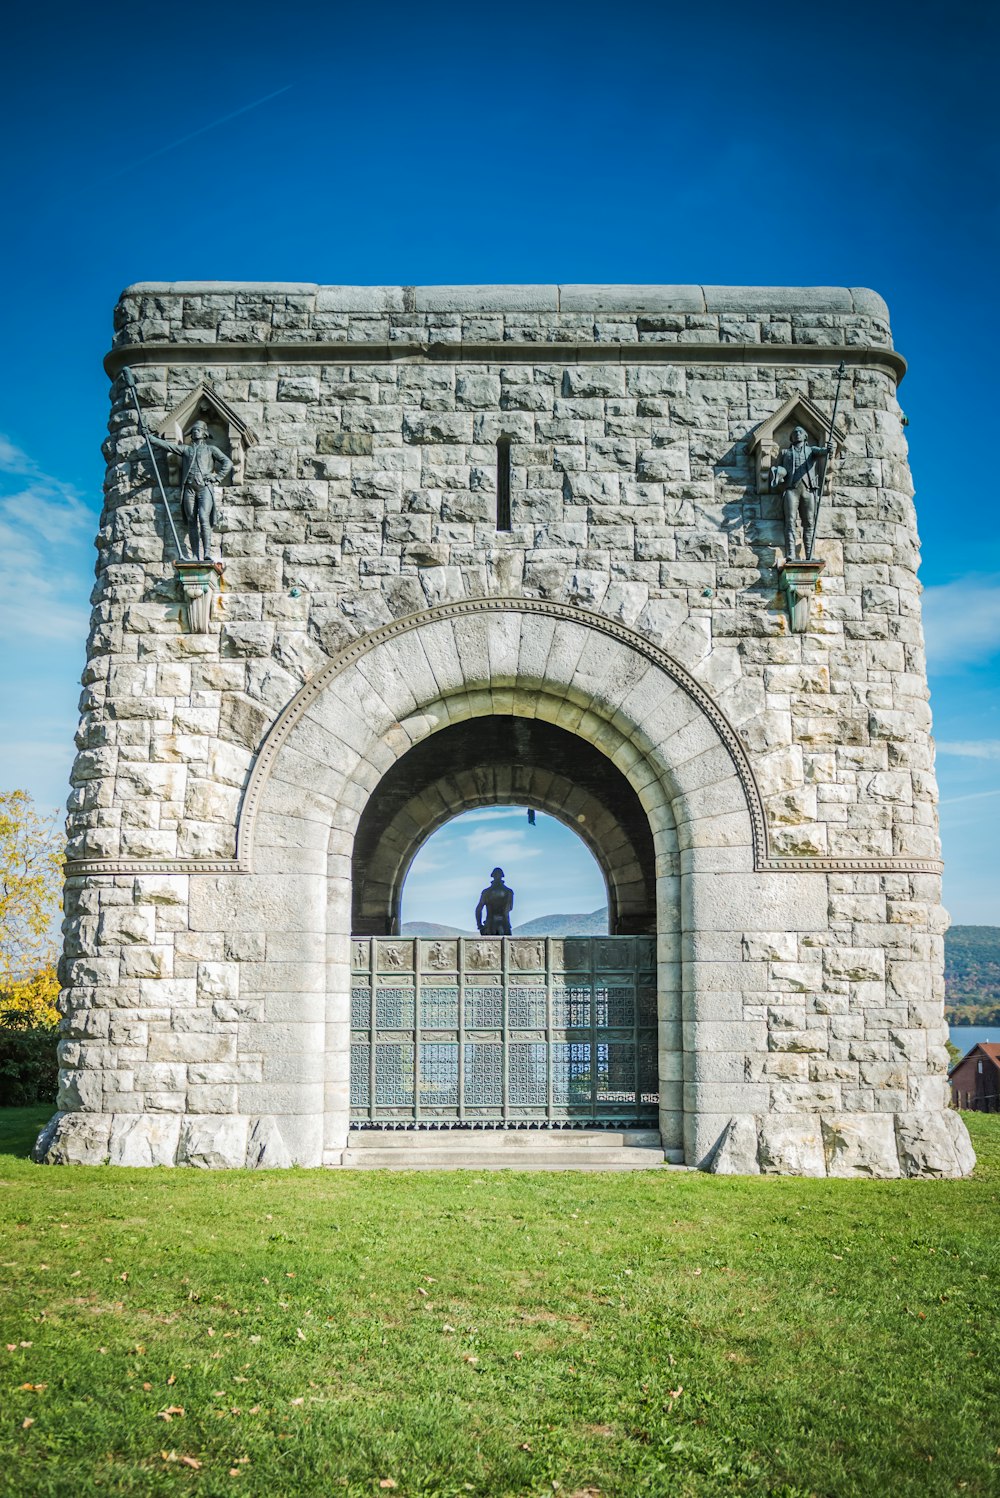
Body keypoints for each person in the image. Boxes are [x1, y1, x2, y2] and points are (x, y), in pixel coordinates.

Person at [148, 419, 233, 562]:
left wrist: (216, 478)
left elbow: (228, 462)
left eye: (198, 430)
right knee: (191, 520)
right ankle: (195, 554)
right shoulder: (187, 449)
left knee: (203, 517)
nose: (195, 432)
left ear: (205, 433)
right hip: (189, 489)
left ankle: (206, 553)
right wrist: (151, 439)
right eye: (193, 430)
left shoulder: (211, 449)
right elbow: (169, 446)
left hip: (204, 488)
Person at [770, 425, 832, 561]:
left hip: (808, 490)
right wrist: (777, 473)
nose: (797, 433)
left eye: (800, 432)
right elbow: (780, 469)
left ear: (805, 436)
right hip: (792, 490)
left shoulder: (811, 450)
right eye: (795, 432)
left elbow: (823, 451)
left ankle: (810, 555)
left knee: (809, 522)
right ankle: (791, 553)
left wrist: (829, 449)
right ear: (792, 437)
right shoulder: (785, 453)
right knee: (790, 521)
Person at [475, 867, 514, 935]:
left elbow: (478, 909)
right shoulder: (509, 892)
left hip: (490, 925)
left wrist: (479, 925)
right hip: (505, 925)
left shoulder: (486, 892)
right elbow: (510, 908)